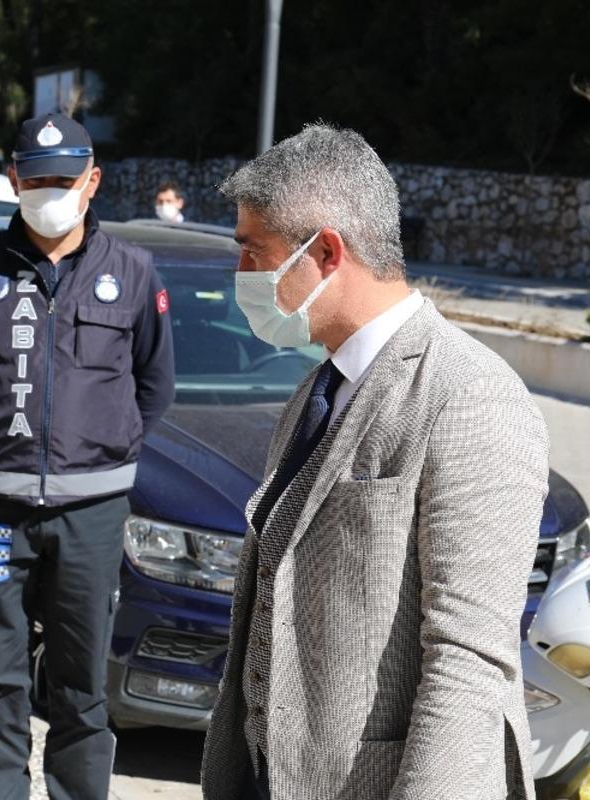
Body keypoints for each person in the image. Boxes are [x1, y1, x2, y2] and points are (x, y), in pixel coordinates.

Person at [200, 124, 549, 800]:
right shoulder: (320, 387)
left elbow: (468, 663)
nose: (241, 276)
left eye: (253, 253)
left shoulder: (469, 393)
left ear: (325, 250)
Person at [0, 114, 175, 800]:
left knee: (81, 687)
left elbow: (154, 383)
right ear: (14, 179)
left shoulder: (132, 272)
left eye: (62, 180)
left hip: (92, 517)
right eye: (35, 179)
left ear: (91, 181)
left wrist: (107, 448)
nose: (48, 192)